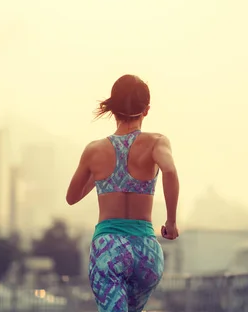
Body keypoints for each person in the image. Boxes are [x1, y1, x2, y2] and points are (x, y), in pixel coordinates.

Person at [66, 74, 180, 312]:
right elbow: (169, 170)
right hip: (146, 250)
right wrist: (170, 220)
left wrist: (101, 175)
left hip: (109, 248)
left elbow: (72, 197)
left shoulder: (94, 150)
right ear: (146, 110)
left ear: (113, 109)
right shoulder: (157, 142)